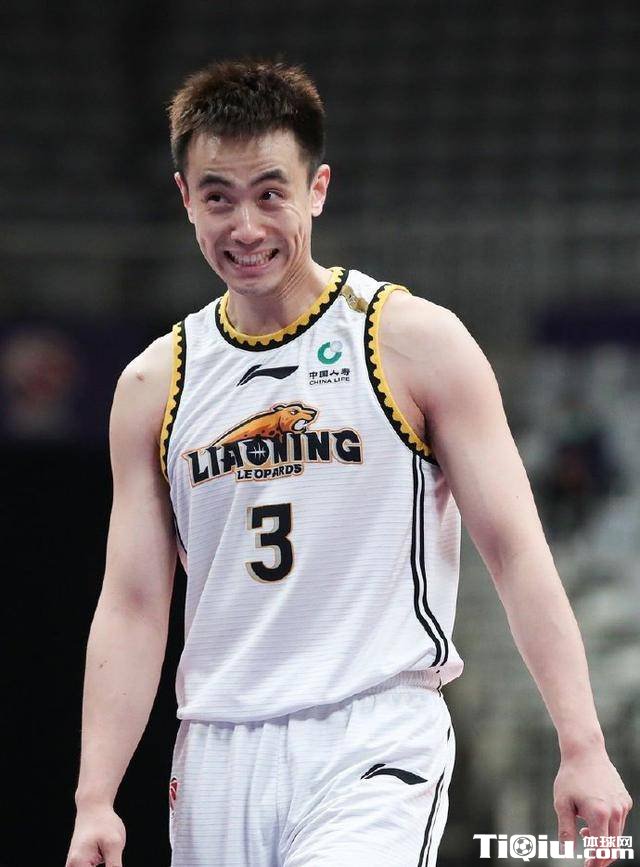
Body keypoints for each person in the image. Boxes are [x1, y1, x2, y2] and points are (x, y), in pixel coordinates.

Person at [65, 59, 632, 867]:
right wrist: (95, 796)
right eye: (219, 198)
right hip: (217, 750)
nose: (246, 227)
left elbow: (515, 550)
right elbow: (132, 603)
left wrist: (583, 744)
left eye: (270, 193)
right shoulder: (156, 382)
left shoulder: (412, 340)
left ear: (317, 190)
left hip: (373, 733)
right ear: (185, 198)